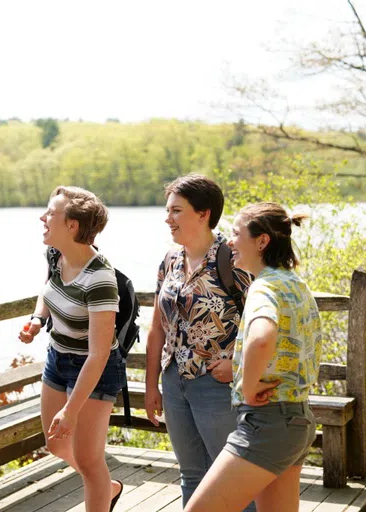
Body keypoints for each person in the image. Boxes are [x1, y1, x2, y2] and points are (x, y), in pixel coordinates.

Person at [184, 202, 321, 512]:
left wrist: (247, 386)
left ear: (262, 241)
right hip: (297, 419)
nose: (229, 241)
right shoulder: (296, 284)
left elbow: (261, 339)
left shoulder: (264, 288)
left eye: (236, 233)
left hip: (269, 423)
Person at [143, 174, 255, 510]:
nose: (168, 218)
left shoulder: (234, 259)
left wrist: (237, 361)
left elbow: (267, 320)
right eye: (168, 210)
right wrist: (151, 385)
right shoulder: (170, 260)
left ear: (203, 213)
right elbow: (156, 328)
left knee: (233, 478)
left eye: (176, 210)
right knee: (192, 474)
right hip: (174, 382)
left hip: (218, 385)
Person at [19, 186, 127, 512]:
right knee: (55, 444)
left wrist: (71, 410)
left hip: (95, 369)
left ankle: (99, 488)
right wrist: (38, 319)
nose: (42, 217)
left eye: (50, 213)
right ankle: (106, 488)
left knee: (88, 459)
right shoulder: (56, 254)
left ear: (72, 226)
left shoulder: (100, 279)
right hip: (57, 359)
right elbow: (49, 287)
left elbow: (99, 354)